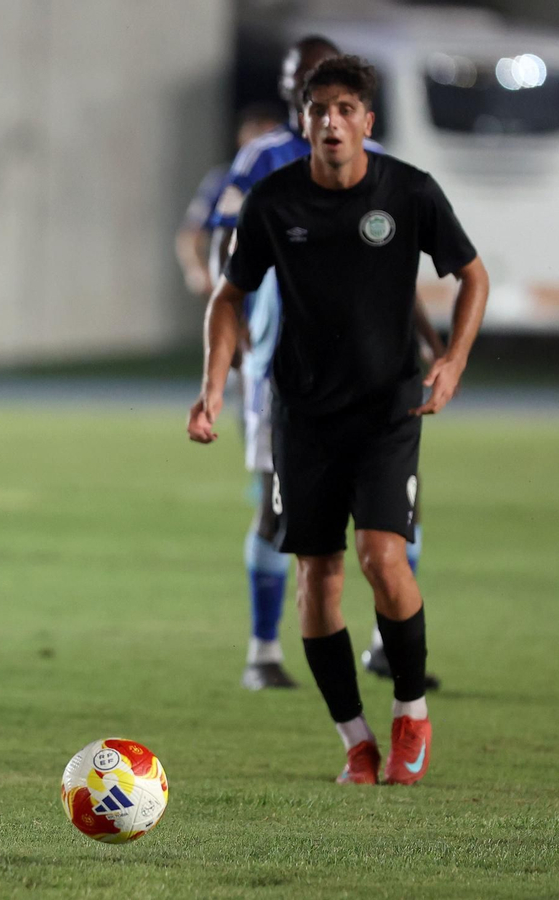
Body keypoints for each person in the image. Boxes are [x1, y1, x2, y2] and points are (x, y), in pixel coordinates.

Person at [188, 55, 487, 785]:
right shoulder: (273, 201)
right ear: (304, 120)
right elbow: (229, 295)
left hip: (388, 407)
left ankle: (411, 710)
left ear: (367, 122)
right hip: (302, 415)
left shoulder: (409, 192)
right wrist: (213, 384)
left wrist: (451, 360)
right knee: (317, 580)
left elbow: (471, 275)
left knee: (383, 559)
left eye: (346, 108)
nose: (331, 121)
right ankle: (355, 738)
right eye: (318, 109)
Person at [204, 35, 443, 692]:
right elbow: (228, 253)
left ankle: (386, 649)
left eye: (315, 78)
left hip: (376, 374)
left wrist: (427, 341)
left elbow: (397, 272)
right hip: (288, 370)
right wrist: (229, 340)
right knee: (284, 518)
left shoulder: (381, 165)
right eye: (297, 80)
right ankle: (261, 651)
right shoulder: (263, 161)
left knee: (396, 516)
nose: (304, 91)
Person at [174, 103, 280, 300]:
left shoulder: (286, 179)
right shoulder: (223, 180)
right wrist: (197, 271)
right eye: (256, 137)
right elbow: (191, 233)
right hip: (237, 283)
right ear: (242, 138)